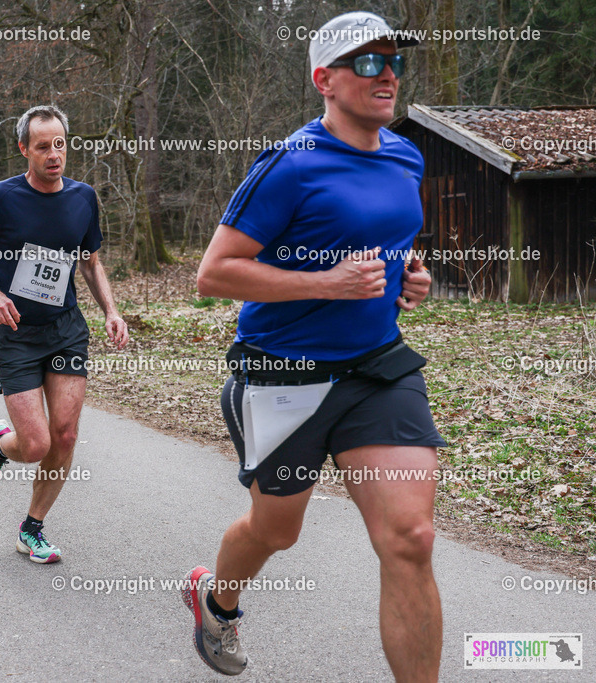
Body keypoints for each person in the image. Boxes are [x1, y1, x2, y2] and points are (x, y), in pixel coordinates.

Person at [182, 12, 444, 680]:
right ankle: (216, 599)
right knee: (276, 530)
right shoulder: (290, 165)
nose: (387, 75)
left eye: (394, 61)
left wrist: (409, 276)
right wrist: (327, 283)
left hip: (376, 370)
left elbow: (388, 237)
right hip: (284, 375)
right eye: (368, 62)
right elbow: (214, 273)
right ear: (324, 80)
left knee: (411, 538)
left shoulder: (405, 155)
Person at [0, 105, 128, 563]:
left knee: (66, 436)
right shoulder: (1, 197)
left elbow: (90, 261)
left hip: (65, 329)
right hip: (14, 331)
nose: (54, 154)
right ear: (24, 149)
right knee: (35, 445)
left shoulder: (83, 197)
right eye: (43, 146)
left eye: (60, 145)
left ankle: (31, 528)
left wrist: (112, 311)